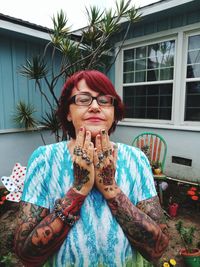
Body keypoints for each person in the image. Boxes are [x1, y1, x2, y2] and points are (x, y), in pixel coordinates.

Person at [14, 70, 169, 267]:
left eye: (104, 100)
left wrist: (111, 189)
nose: (95, 106)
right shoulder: (44, 159)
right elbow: (26, 254)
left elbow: (158, 248)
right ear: (68, 113)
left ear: (114, 111)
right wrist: (78, 190)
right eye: (83, 99)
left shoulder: (136, 159)